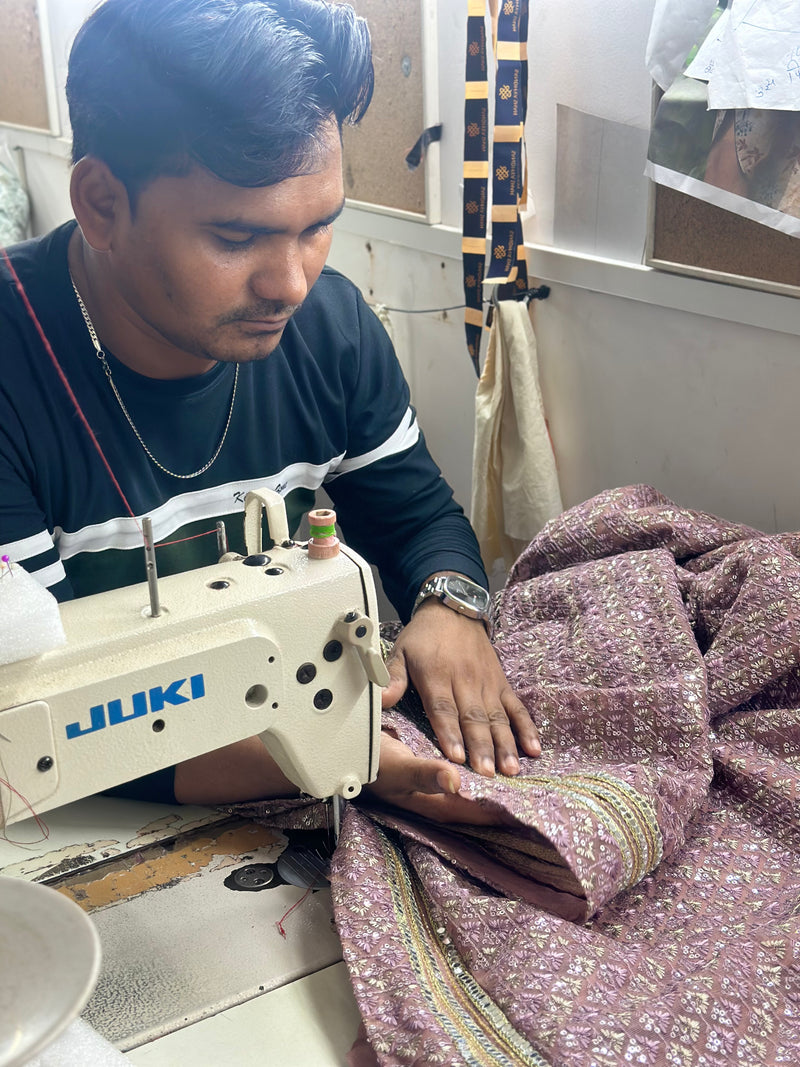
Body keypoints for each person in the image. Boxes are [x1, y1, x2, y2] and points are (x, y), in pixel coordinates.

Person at [0, 0, 540, 819]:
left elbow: (415, 516)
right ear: (102, 203)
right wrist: (328, 761)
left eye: (319, 226)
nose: (290, 283)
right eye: (235, 238)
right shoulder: (17, 366)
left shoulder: (332, 329)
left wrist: (448, 604)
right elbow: (34, 709)